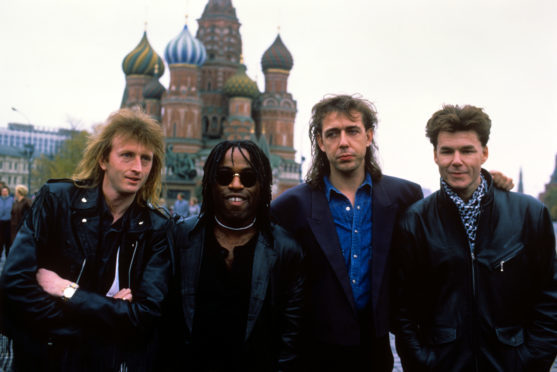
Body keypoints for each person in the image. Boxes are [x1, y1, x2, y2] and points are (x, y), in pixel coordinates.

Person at [0, 108, 172, 371]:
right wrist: (106, 315)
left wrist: (66, 291)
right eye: (127, 155)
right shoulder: (57, 200)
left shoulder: (156, 228)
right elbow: (15, 285)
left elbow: (144, 316)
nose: (137, 168)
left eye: (146, 159)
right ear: (104, 159)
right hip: (43, 359)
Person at [392, 104, 557, 371]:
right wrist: (423, 362)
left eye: (467, 150)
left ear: (484, 153)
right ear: (435, 155)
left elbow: (549, 298)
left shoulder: (529, 214)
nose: (457, 160)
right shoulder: (416, 220)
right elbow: (403, 309)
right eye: (447, 151)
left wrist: (530, 360)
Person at [272, 94, 423, 371]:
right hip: (314, 353)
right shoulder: (290, 208)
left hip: (376, 351)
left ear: (368, 136)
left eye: (352, 131)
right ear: (320, 142)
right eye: (333, 134)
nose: (343, 142)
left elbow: (446, 219)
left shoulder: (403, 196)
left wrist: (491, 186)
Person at [167, 140, 305, 371]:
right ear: (210, 182)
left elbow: (291, 338)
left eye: (249, 177)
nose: (236, 184)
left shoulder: (285, 249)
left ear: (262, 185)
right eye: (223, 175)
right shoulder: (181, 238)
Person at [0, 186, 13, 259]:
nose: (4, 192)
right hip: (0, 222)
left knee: (8, 241)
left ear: (8, 192)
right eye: (3, 191)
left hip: (9, 223)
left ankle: (8, 256)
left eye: (6, 191)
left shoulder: (12, 200)